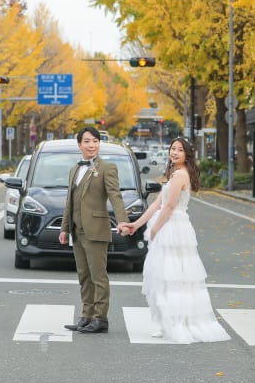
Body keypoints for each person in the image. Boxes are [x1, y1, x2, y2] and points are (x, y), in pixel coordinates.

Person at [124, 137, 229, 343]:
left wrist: (155, 228)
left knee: (172, 277)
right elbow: (156, 204)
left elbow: (169, 206)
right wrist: (136, 225)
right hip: (170, 225)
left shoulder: (181, 174)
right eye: (173, 149)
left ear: (187, 154)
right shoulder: (174, 174)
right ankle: (168, 323)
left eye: (180, 150)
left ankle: (176, 324)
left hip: (173, 227)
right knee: (167, 276)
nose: (174, 153)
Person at [59, 126, 132, 334]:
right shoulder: (74, 169)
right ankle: (86, 316)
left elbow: (115, 196)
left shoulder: (107, 168)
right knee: (84, 275)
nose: (92, 145)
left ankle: (101, 318)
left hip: (97, 228)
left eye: (95, 141)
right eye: (88, 141)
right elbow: (69, 201)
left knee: (98, 276)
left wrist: (122, 221)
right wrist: (65, 228)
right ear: (79, 144)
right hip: (77, 229)